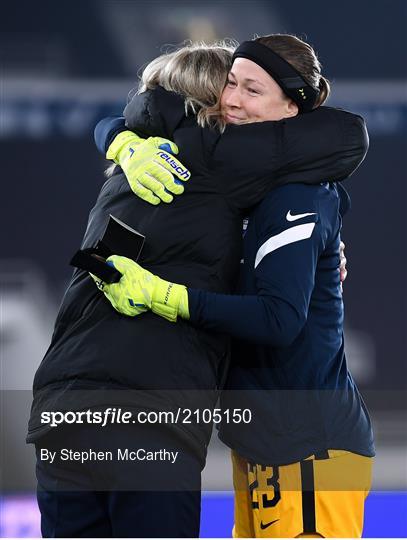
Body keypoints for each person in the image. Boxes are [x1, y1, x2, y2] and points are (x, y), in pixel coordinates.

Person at [28, 40, 368, 538]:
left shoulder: (127, 175)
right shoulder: (218, 160)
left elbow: (106, 255)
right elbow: (346, 137)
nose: (233, 101)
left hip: (62, 410)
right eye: (230, 85)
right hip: (152, 413)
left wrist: (120, 140)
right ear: (205, 104)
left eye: (250, 88)